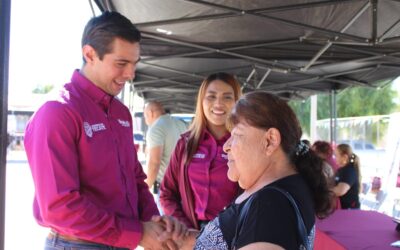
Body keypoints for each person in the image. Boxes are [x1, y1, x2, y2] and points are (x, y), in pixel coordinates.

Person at [24, 11, 185, 250]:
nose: (130, 74)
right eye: (121, 63)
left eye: (134, 64)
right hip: (77, 244)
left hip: (121, 241)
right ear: (89, 54)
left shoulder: (120, 114)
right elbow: (59, 207)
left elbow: (134, 179)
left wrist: (155, 222)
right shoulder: (57, 112)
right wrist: (139, 233)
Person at [177, 91, 334, 249]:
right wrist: (185, 239)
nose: (226, 146)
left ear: (270, 141)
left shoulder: (270, 206)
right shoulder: (281, 191)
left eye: (236, 134)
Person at [160, 72, 242, 230]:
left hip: (233, 236)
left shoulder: (244, 144)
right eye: (211, 96)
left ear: (237, 102)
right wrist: (185, 228)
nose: (218, 104)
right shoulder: (185, 144)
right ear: (201, 101)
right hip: (191, 236)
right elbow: (167, 194)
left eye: (227, 97)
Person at [143, 101, 187, 211]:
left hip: (166, 188)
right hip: (184, 185)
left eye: (145, 116)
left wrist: (145, 188)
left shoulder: (156, 128)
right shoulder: (180, 123)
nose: (146, 120)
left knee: (168, 225)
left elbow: (154, 162)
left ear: (151, 113)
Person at [333, 143, 361, 209]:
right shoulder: (341, 170)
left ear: (344, 157)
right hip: (343, 208)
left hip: (350, 210)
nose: (335, 158)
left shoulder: (349, 171)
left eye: (336, 156)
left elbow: (340, 191)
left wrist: (323, 191)